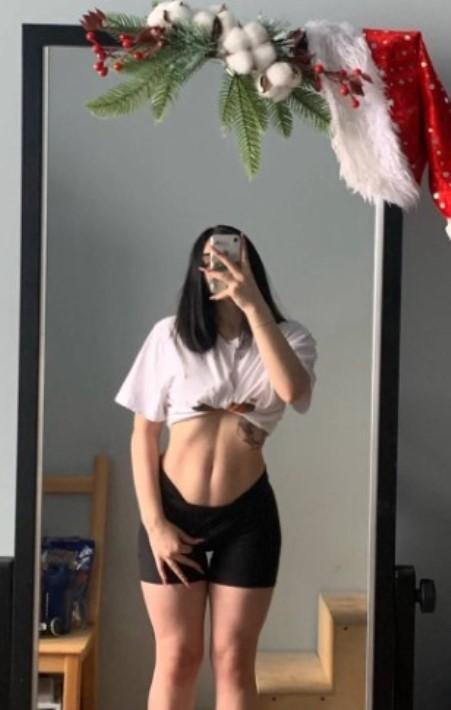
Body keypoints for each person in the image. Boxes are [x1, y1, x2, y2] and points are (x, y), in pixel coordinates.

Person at [114, 224, 318, 710]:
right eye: (208, 259)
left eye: (229, 257)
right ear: (196, 270)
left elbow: (292, 391)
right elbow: (143, 435)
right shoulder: (169, 336)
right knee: (178, 658)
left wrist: (253, 306)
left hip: (246, 519)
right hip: (173, 512)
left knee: (233, 660)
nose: (218, 266)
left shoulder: (291, 338)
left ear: (250, 265)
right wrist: (155, 524)